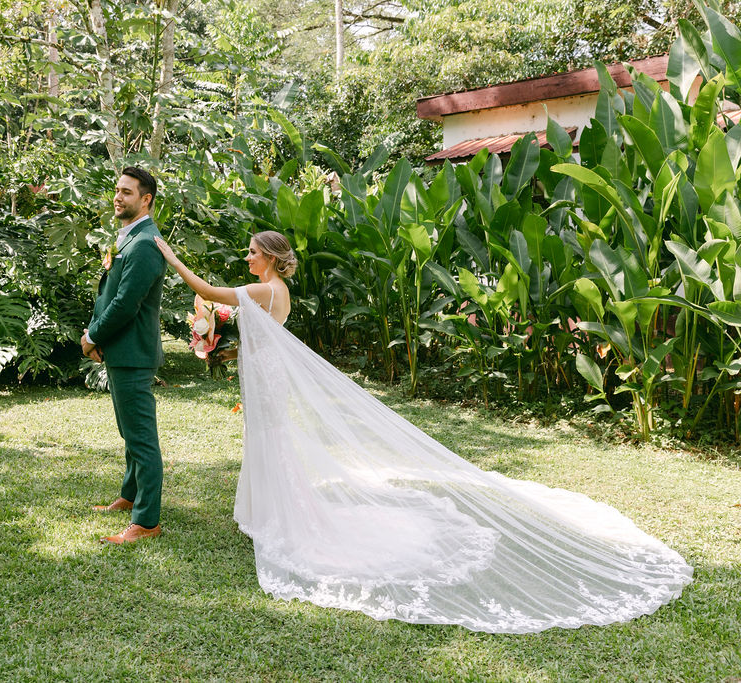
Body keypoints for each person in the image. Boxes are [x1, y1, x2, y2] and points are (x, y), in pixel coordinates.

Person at [154, 230, 693, 633]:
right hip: (267, 377)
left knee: (271, 442)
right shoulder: (270, 291)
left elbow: (206, 288)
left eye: (253, 250)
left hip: (268, 382)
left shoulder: (264, 289)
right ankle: (266, 510)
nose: (247, 256)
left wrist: (168, 253)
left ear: (270, 257)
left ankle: (279, 517)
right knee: (269, 442)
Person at [82, 167, 166, 545]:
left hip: (133, 353)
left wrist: (92, 336)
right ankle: (130, 496)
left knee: (142, 438)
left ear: (145, 199)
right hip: (120, 351)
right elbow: (108, 296)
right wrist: (97, 337)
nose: (118, 197)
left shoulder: (147, 243)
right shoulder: (130, 238)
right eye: (116, 190)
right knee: (129, 433)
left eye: (127, 192)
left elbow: (125, 305)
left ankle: (146, 520)